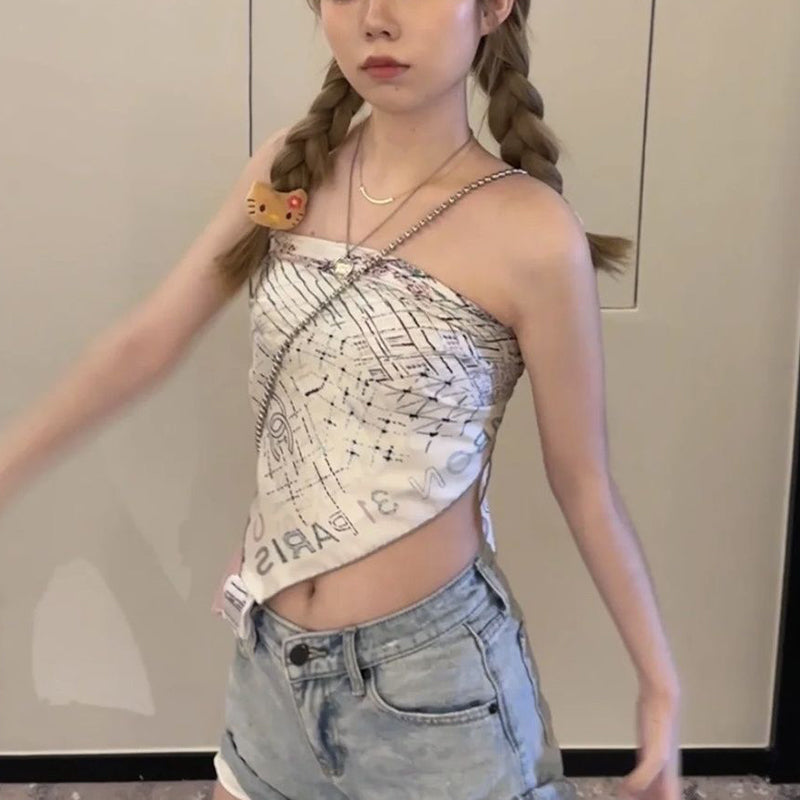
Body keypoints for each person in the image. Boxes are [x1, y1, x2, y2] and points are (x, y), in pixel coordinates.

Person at [0, 1, 683, 798]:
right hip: (271, 664)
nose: (375, 19)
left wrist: (660, 686)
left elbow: (584, 483)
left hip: (435, 686)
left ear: (494, 7)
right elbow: (147, 341)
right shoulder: (287, 171)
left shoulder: (532, 232)